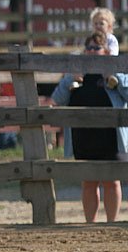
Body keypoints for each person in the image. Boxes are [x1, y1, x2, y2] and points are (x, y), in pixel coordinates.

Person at [51, 31, 128, 223]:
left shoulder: (114, 71)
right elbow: (57, 99)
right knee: (88, 182)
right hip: (84, 136)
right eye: (89, 48)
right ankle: (90, 224)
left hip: (111, 137)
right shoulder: (77, 73)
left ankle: (112, 222)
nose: (92, 51)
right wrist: (71, 79)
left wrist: (114, 77)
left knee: (111, 181)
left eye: (97, 48)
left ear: (106, 51)